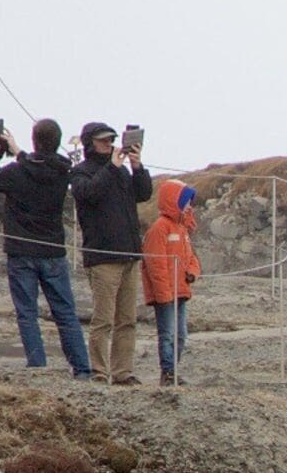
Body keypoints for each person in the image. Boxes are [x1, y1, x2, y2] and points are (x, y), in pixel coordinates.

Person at [0, 118, 90, 376]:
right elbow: (41, 166)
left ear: (34, 141)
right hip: (52, 250)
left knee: (27, 313)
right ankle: (82, 369)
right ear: (58, 142)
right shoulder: (63, 171)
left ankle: (38, 366)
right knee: (65, 313)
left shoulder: (17, 172)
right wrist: (17, 151)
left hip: (22, 250)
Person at [70, 122, 153, 384]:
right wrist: (113, 167)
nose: (109, 144)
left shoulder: (120, 171)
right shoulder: (81, 172)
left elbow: (143, 194)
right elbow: (89, 194)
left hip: (129, 254)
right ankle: (98, 371)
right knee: (103, 319)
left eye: (111, 140)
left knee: (127, 319)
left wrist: (137, 166)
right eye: (103, 140)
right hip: (102, 256)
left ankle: (122, 372)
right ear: (90, 143)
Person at [142, 178, 200, 386]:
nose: (189, 205)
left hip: (181, 290)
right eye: (185, 200)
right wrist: (163, 294)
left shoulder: (182, 228)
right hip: (166, 294)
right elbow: (155, 264)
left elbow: (192, 258)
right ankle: (167, 372)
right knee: (167, 334)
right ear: (174, 200)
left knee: (181, 335)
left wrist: (192, 272)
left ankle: (172, 370)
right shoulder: (160, 228)